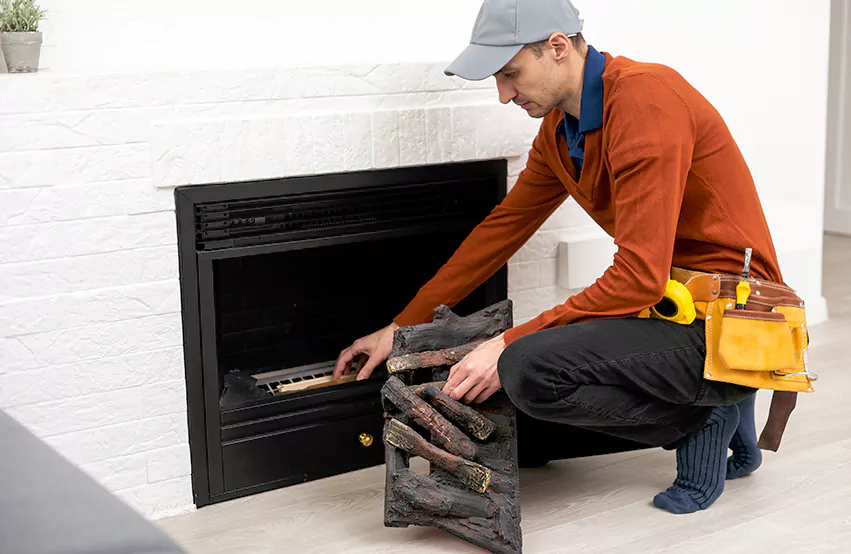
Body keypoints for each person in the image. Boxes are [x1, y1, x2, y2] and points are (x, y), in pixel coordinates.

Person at [332, 0, 783, 514]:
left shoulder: (646, 100)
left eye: (509, 74)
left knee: (524, 366)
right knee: (517, 408)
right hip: (673, 306)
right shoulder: (561, 132)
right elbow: (500, 231)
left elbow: (637, 278)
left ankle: (704, 415)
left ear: (557, 47)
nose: (503, 95)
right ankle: (717, 397)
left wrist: (507, 342)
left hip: (733, 319)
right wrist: (400, 328)